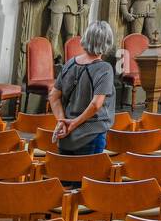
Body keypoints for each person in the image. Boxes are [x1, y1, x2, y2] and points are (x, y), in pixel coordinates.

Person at [49, 20, 116, 157]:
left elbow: (53, 96)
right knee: (86, 178)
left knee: (65, 177)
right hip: (90, 134)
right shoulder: (105, 69)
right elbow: (96, 104)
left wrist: (62, 121)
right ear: (108, 42)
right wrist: (74, 123)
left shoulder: (70, 64)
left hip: (66, 134)